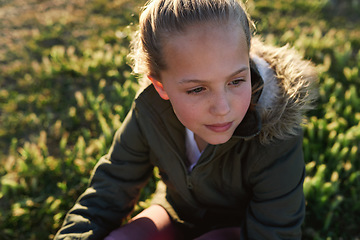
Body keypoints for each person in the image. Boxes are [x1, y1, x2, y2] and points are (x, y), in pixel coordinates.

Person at [54, 0, 318, 239]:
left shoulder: (277, 134)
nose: (223, 108)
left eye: (236, 81)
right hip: (175, 212)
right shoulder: (150, 111)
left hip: (241, 229)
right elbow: (110, 187)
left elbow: (275, 232)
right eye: (197, 89)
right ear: (160, 86)